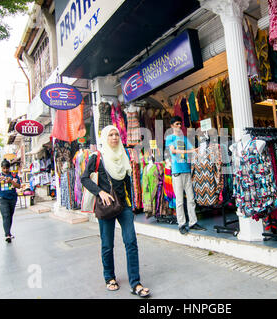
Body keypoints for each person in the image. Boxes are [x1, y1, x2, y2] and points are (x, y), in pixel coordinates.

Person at [81, 125, 150, 298]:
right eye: (110, 135)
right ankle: (109, 277)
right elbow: (83, 178)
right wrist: (100, 192)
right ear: (105, 138)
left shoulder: (123, 156)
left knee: (131, 242)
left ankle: (135, 283)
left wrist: (131, 203)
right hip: (107, 206)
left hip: (124, 206)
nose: (114, 138)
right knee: (107, 244)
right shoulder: (97, 157)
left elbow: (127, 180)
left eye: (116, 135)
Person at [165, 116, 206, 235]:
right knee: (179, 201)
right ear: (172, 125)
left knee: (191, 199)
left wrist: (200, 149)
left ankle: (193, 222)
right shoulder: (170, 138)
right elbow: (173, 151)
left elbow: (193, 149)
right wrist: (191, 151)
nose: (179, 126)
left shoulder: (184, 138)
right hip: (177, 172)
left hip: (187, 170)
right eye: (177, 124)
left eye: (180, 124)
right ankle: (181, 224)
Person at [0, 159, 21, 243]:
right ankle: (7, 235)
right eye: (4, 168)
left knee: (10, 215)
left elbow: (19, 186)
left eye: (7, 168)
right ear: (1, 168)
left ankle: (8, 232)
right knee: (6, 215)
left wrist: (11, 181)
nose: (5, 170)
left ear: (9, 168)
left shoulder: (14, 175)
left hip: (12, 198)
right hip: (2, 198)